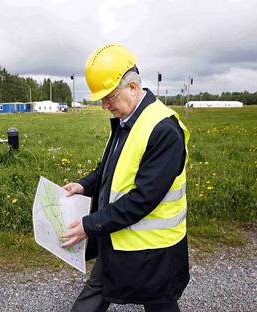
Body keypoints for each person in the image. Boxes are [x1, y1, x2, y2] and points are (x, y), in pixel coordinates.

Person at [61, 44, 190, 312]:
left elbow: (143, 199)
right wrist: (84, 185)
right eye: (102, 100)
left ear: (132, 87)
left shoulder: (164, 129)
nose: (105, 106)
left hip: (155, 250)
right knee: (98, 290)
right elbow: (109, 167)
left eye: (110, 97)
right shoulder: (127, 119)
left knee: (160, 302)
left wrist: (90, 224)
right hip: (117, 236)